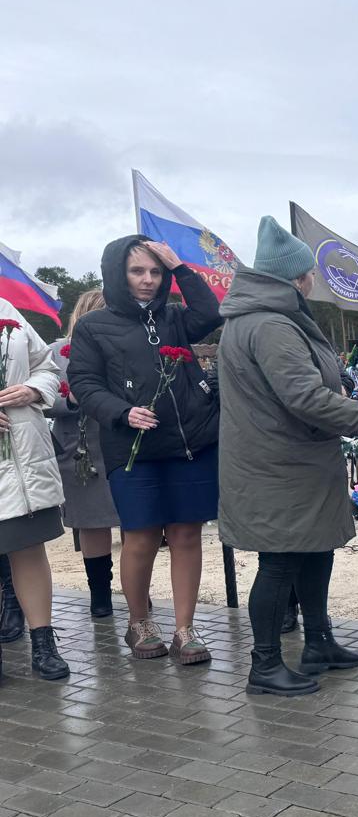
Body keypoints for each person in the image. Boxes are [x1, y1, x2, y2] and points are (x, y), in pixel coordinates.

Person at [217, 216, 358, 696]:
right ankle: (265, 664)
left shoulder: (268, 319)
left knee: (314, 551)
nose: (312, 281)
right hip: (279, 465)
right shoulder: (271, 324)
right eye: (309, 274)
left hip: (294, 461)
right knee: (280, 563)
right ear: (296, 278)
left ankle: (319, 642)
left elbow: (304, 385)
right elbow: (303, 397)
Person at [67, 238, 221, 665]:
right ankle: (140, 622)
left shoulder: (174, 317)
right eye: (137, 271)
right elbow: (84, 383)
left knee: (187, 534)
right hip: (133, 447)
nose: (148, 280)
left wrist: (180, 267)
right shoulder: (93, 326)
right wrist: (122, 412)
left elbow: (210, 313)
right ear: (117, 274)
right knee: (141, 535)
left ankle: (185, 629)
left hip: (190, 443)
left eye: (156, 272)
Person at [0, 300, 70, 680]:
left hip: (23, 456)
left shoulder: (5, 309)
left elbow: (46, 365)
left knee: (27, 548)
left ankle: (43, 644)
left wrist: (32, 390)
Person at [50, 290, 120, 619]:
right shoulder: (55, 353)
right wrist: (70, 401)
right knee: (92, 524)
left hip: (120, 441)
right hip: (80, 450)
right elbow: (41, 399)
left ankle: (138, 590)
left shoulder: (122, 344)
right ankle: (100, 595)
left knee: (136, 523)